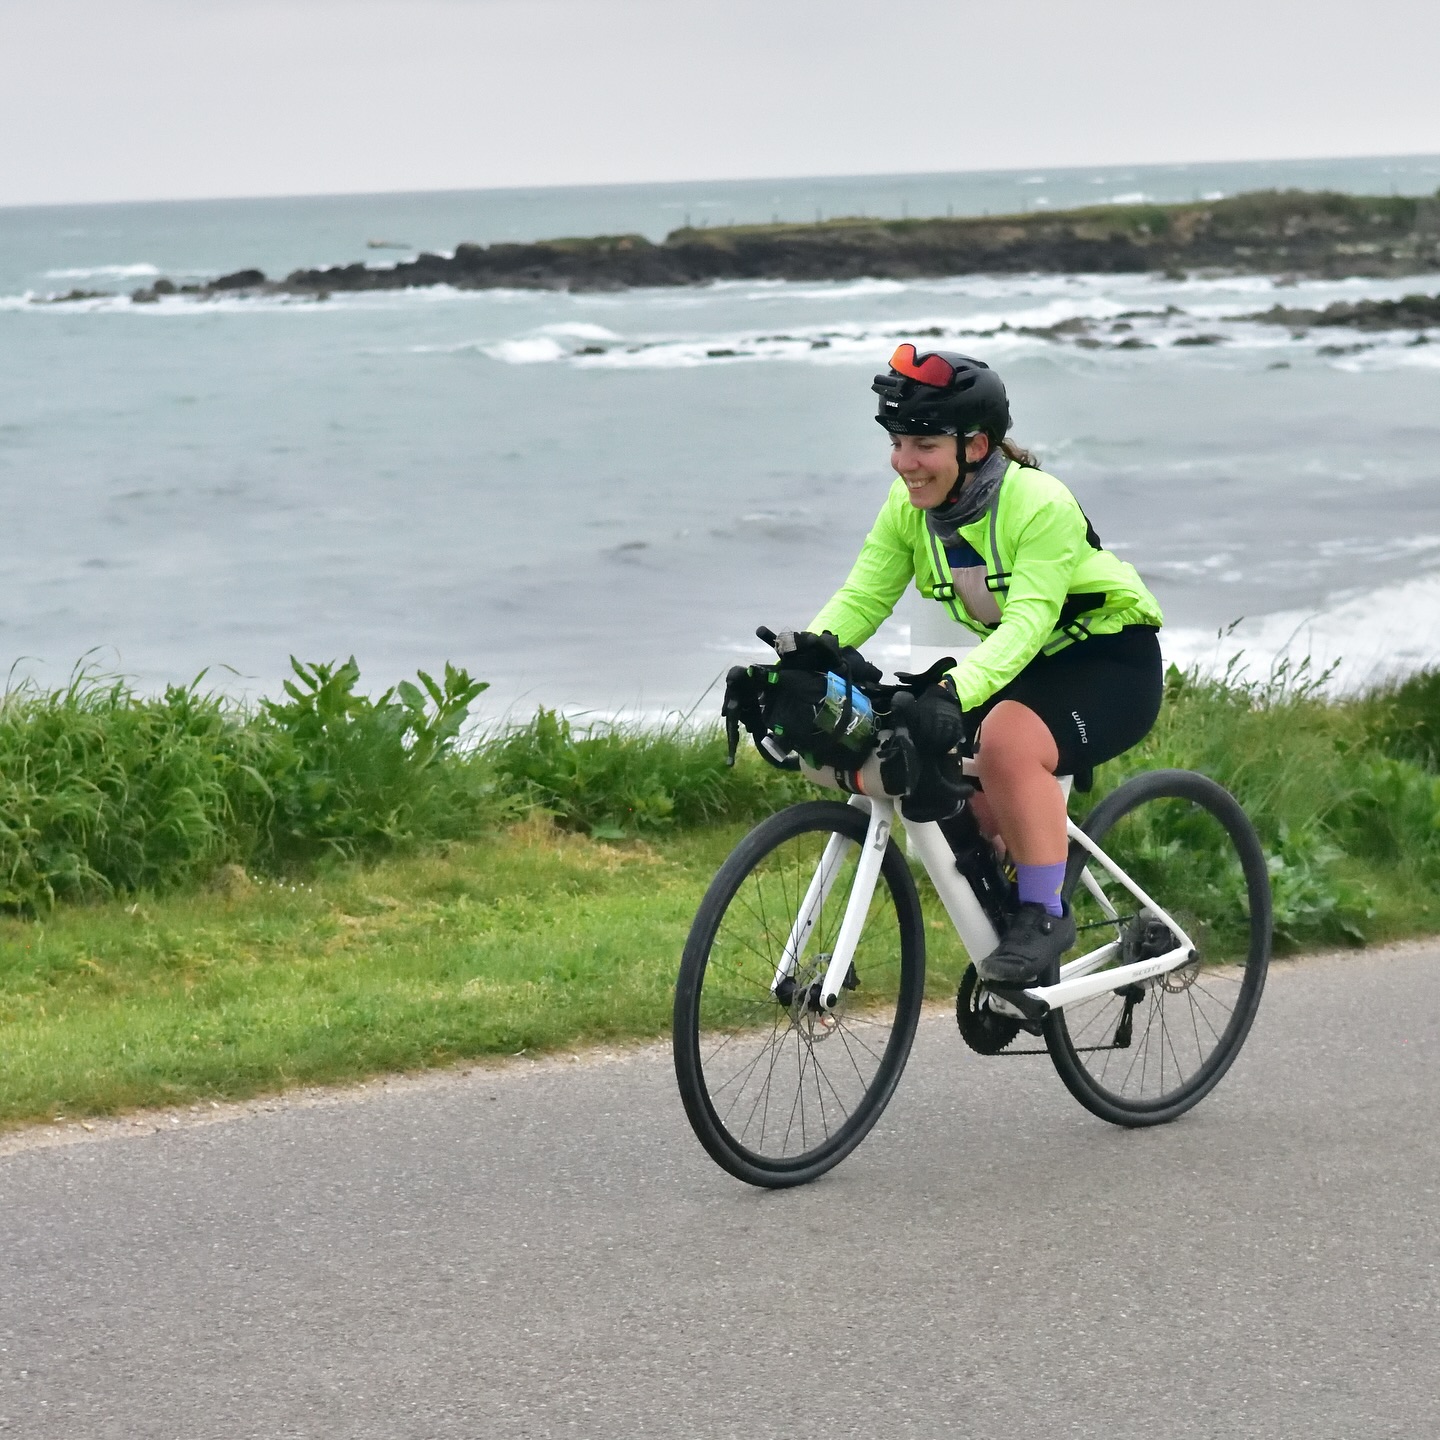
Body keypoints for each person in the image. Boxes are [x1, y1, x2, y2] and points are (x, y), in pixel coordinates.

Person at [803, 346, 1165, 985]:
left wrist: (952, 689)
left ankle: (1045, 914)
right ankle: (1006, 902)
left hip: (1110, 661)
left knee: (1005, 743)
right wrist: (806, 658)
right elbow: (863, 598)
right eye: (896, 442)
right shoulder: (907, 508)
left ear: (975, 445)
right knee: (934, 772)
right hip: (1020, 663)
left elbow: (1027, 622)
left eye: (923, 445)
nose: (904, 462)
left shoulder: (1039, 503)